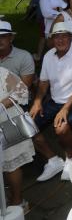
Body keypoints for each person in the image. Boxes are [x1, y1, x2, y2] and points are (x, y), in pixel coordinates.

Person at [30, 22, 72, 182]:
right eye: (56, 36)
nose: (60, 40)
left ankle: (71, 159)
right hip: (54, 101)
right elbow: (43, 82)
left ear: (70, 38)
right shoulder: (49, 55)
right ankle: (53, 160)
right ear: (52, 39)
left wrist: (65, 108)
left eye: (64, 36)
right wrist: (37, 101)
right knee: (28, 126)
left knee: (61, 128)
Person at [0, 65, 34, 208]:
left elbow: (22, 91)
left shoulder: (1, 72)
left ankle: (18, 202)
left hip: (8, 123)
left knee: (11, 164)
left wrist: (1, 105)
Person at [0, 20, 36, 93]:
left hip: (16, 99)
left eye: (3, 36)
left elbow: (23, 90)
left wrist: (2, 104)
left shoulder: (24, 57)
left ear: (11, 38)